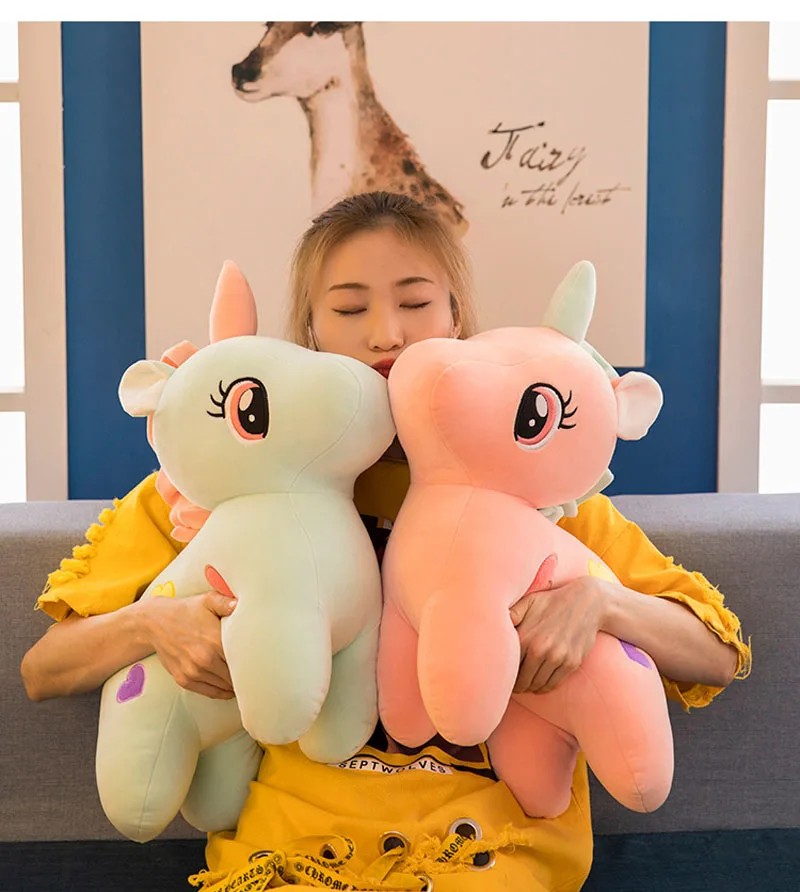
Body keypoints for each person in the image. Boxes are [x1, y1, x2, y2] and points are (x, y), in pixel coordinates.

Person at [21, 192, 751, 892]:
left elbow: (715, 657)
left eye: (415, 302)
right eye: (348, 308)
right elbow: (44, 669)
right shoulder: (223, 479)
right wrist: (155, 624)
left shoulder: (529, 477)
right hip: (295, 846)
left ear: (455, 315)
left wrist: (598, 604)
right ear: (310, 330)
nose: (385, 334)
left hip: (486, 843)